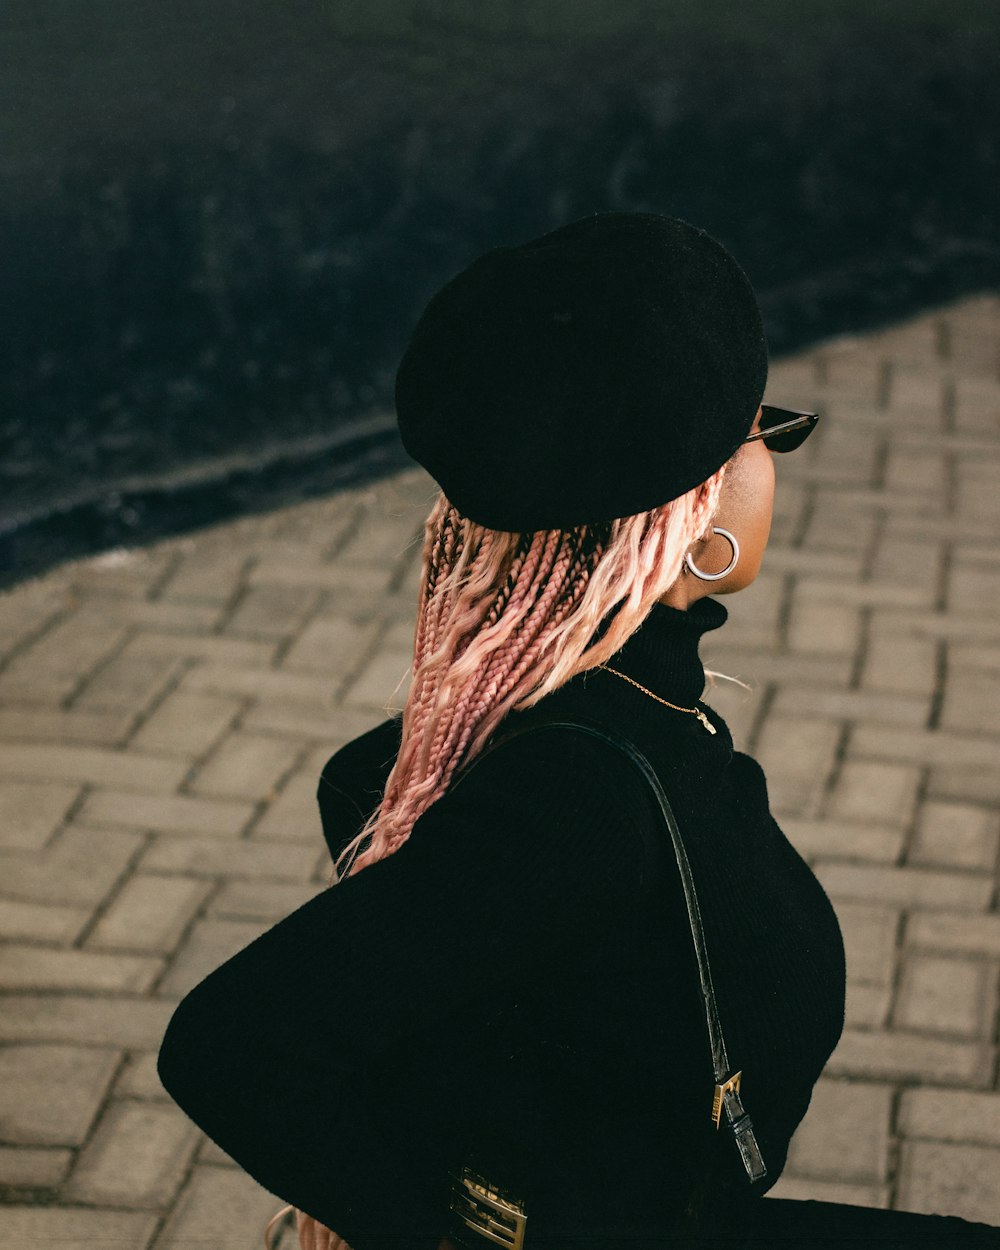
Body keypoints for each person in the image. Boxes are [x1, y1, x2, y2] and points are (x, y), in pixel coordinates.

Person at [157, 212, 1000, 1249]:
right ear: (696, 513)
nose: (773, 457)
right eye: (761, 431)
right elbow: (233, 1044)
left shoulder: (512, 730)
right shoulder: (582, 794)